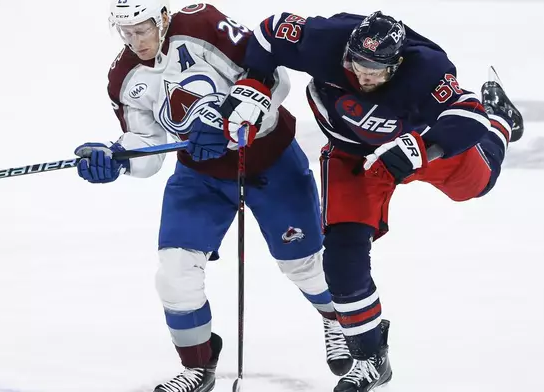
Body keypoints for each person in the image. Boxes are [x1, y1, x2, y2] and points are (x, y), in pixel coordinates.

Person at [219, 10, 524, 392]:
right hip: (352, 155)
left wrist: (425, 147)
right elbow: (269, 32)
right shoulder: (324, 39)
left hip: (408, 149)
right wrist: (255, 83)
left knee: (476, 185)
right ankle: (370, 360)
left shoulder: (427, 68)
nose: (362, 75)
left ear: (397, 65)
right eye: (356, 62)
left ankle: (505, 122)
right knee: (342, 261)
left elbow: (469, 114)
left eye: (375, 70)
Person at [73, 1, 354, 391]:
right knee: (174, 273)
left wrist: (234, 124)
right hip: (200, 175)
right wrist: (117, 158)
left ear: (164, 17)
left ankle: (336, 319)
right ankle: (198, 365)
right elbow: (148, 148)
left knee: (303, 265)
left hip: (270, 159)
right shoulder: (124, 75)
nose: (135, 41)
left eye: (143, 29)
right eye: (126, 32)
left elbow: (274, 79)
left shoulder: (203, 25)